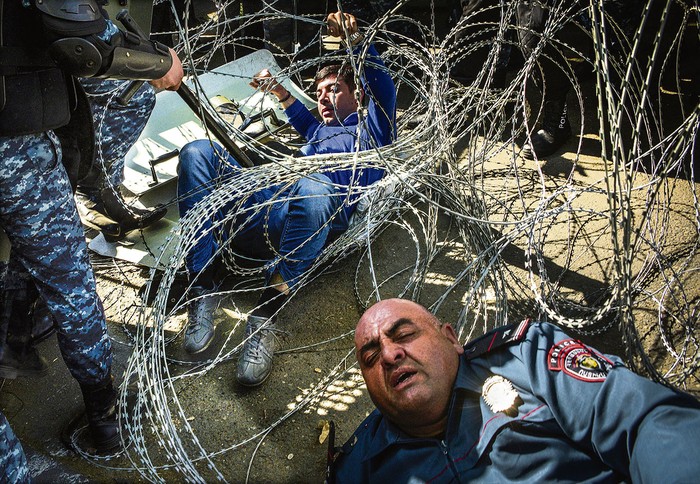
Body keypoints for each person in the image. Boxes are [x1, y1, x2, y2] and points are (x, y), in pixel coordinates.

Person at [177, 10, 397, 387]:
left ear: (357, 94)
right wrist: (278, 89)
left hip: (308, 218)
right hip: (263, 205)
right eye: (318, 93)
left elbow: (383, 86)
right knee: (198, 152)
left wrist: (355, 42)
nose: (323, 98)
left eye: (334, 90)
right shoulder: (316, 131)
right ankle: (203, 283)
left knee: (314, 187)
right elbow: (300, 116)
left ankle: (263, 316)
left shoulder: (374, 130)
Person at [0, 0, 183, 453]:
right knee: (70, 281)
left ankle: (15, 337)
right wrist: (161, 64)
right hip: (15, 148)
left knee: (32, 245)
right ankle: (105, 414)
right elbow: (84, 43)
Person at [329, 298, 700, 481]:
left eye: (405, 335)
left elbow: (640, 420)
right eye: (371, 356)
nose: (391, 355)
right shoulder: (360, 468)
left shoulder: (526, 359)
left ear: (451, 339)